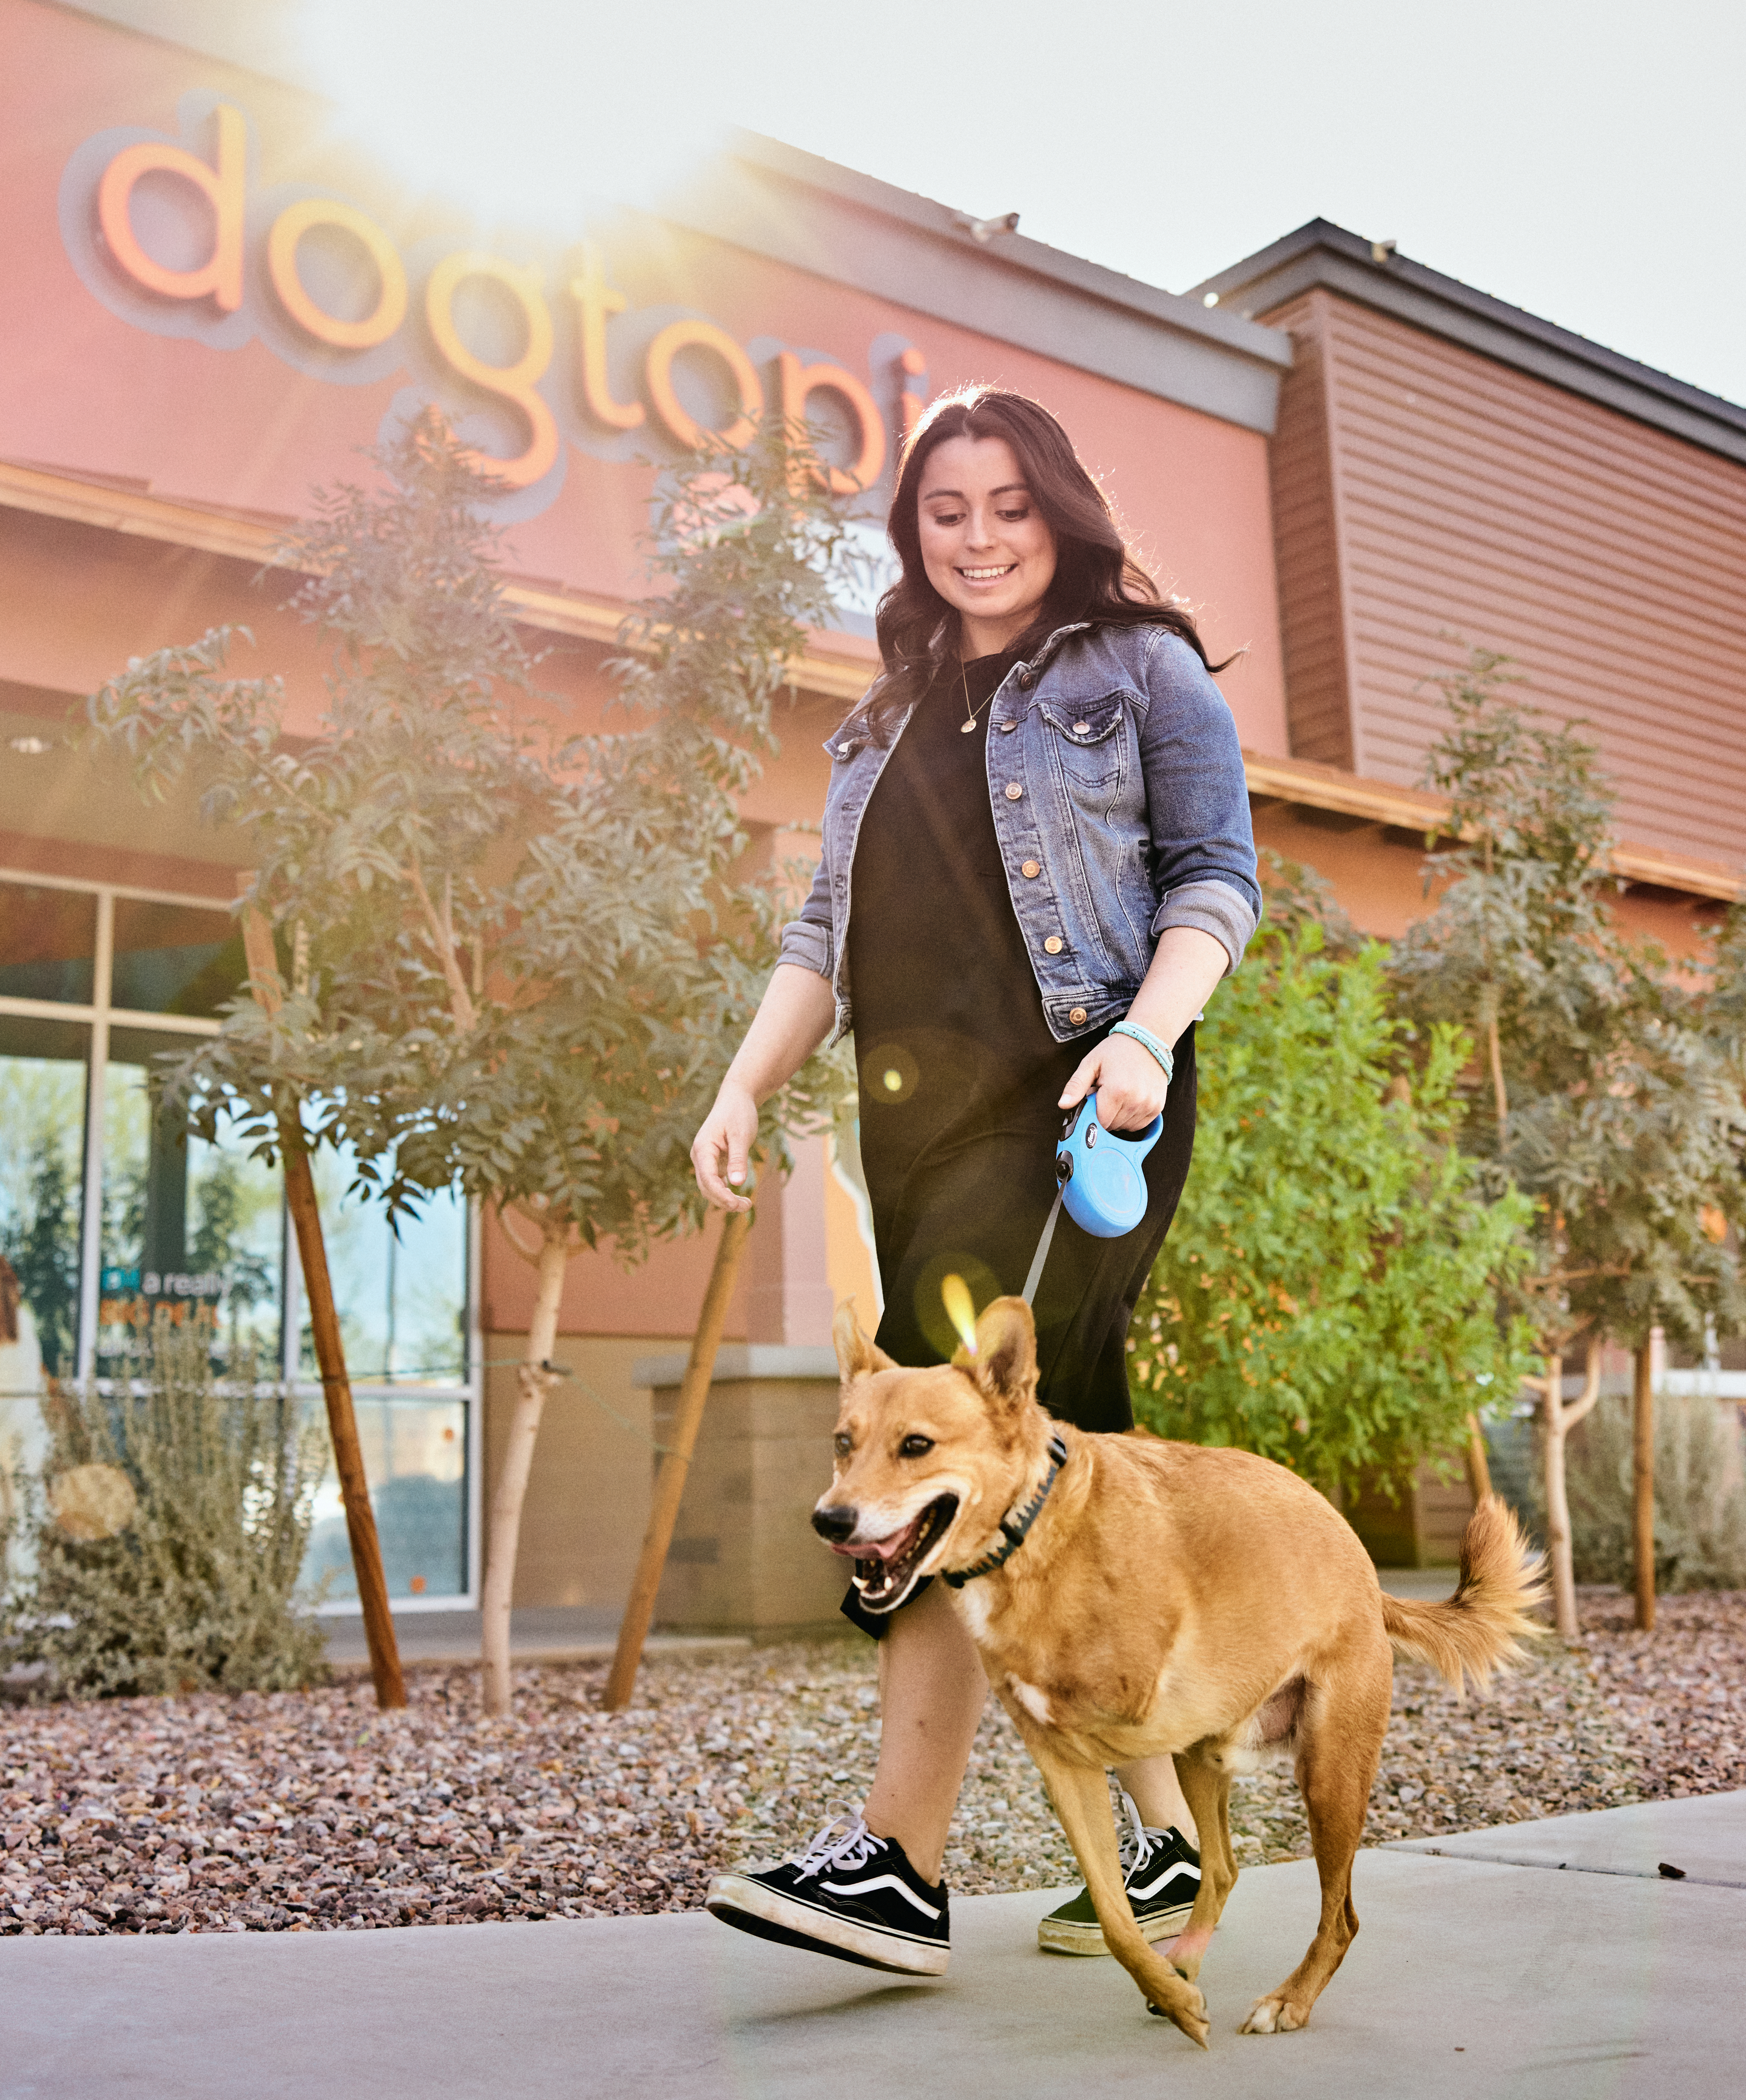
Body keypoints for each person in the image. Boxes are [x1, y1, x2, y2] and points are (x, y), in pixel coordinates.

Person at [696, 385, 1258, 1976]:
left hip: (1082, 1095)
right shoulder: (876, 727)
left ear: (1058, 511)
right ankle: (1159, 1847)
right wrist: (746, 1081)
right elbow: (822, 933)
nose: (980, 537)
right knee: (1056, 1459)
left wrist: (1150, 1036)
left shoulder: (1137, 669)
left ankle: (898, 1863)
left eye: (1009, 506)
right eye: (947, 510)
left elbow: (1218, 875)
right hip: (919, 1125)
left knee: (943, 1458)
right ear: (912, 531)